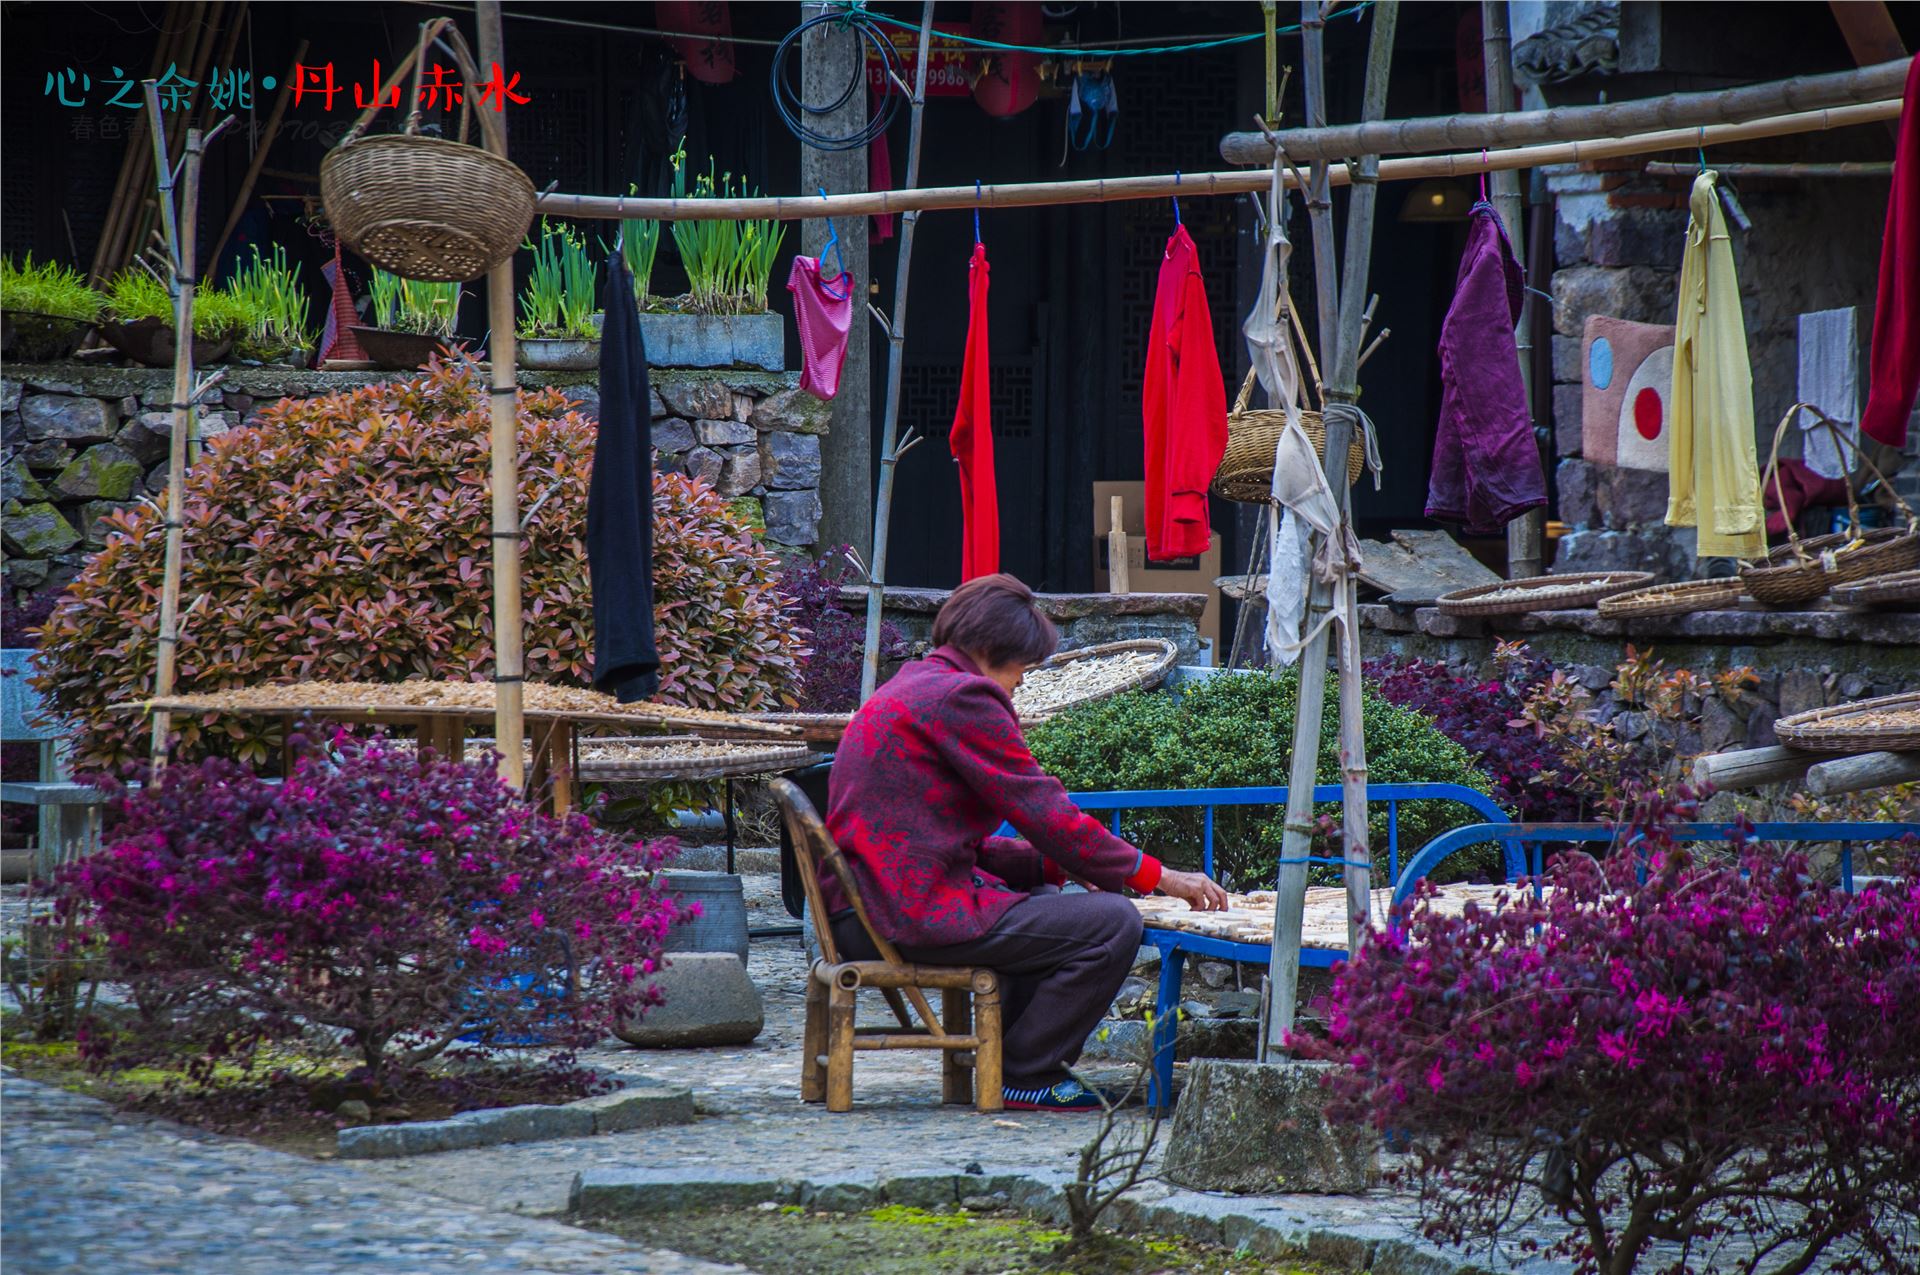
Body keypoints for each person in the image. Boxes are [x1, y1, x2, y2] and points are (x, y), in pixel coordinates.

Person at [822, 573, 1229, 1111]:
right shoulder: (963, 695)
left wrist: (1050, 868)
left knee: (1043, 904)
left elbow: (929, 838)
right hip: (896, 915)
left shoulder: (912, 684)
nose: (1020, 682)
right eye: (1021, 668)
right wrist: (1161, 877)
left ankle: (1005, 1065)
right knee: (1113, 923)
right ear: (994, 651)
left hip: (865, 909)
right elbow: (1045, 811)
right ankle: (1028, 1074)